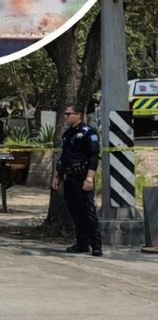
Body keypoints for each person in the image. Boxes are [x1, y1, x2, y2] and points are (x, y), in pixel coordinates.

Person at [52, 104, 102, 256]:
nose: (66, 117)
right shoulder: (68, 134)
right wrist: (57, 175)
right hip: (69, 178)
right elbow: (64, 157)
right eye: (66, 114)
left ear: (79, 115)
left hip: (82, 178)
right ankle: (82, 243)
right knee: (75, 212)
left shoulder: (89, 133)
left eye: (69, 114)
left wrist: (89, 178)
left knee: (88, 212)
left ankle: (96, 245)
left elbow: (94, 157)